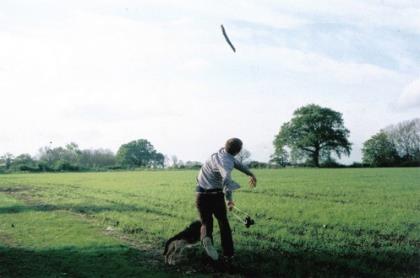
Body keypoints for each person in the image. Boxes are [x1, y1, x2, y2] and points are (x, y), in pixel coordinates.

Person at [196, 138, 257, 265]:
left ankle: (207, 240)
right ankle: (228, 255)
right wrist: (229, 200)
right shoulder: (227, 163)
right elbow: (227, 181)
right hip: (216, 195)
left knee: (206, 222)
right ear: (239, 150)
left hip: (201, 194)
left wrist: (250, 173)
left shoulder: (220, 154)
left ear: (225, 146)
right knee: (224, 223)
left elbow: (237, 164)